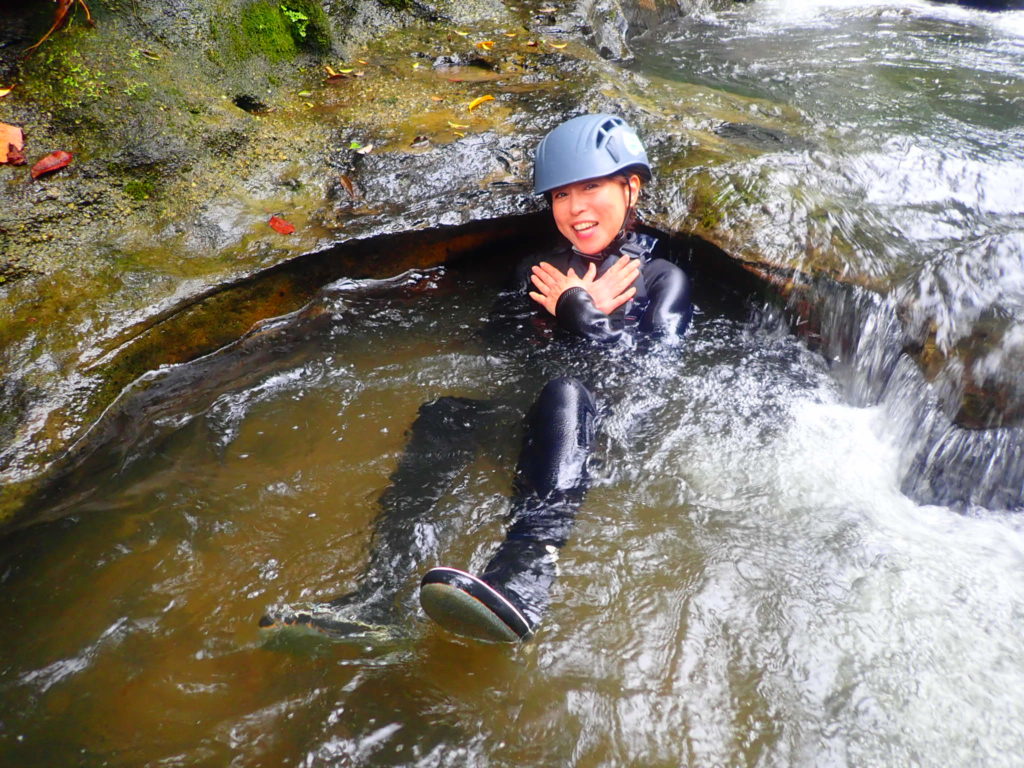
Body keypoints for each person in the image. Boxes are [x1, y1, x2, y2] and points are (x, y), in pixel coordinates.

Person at [260, 114, 692, 643]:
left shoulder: (662, 280)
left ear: (631, 187)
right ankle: (377, 597)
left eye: (592, 187)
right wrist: (552, 313)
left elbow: (656, 375)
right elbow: (498, 349)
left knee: (566, 392)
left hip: (598, 439)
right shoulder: (538, 272)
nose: (575, 208)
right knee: (445, 412)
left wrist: (581, 311)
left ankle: (525, 578)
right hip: (530, 422)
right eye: (560, 195)